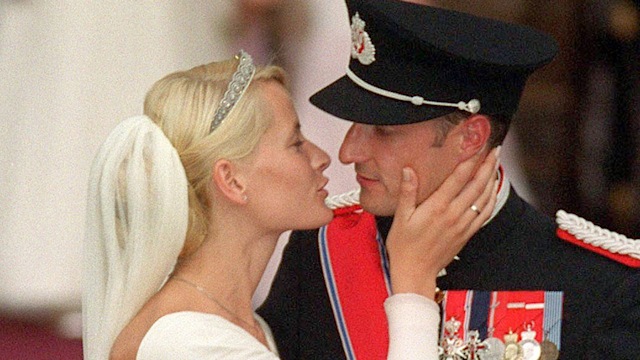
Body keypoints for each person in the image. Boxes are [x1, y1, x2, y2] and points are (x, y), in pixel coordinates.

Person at [258, 1, 640, 359]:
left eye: (383, 130)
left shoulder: (602, 288)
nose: (348, 153)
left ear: (470, 137)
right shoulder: (320, 251)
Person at [82, 50, 499, 360]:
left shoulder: (245, 325)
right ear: (231, 180)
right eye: (295, 143)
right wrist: (413, 285)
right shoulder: (186, 342)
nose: (323, 157)